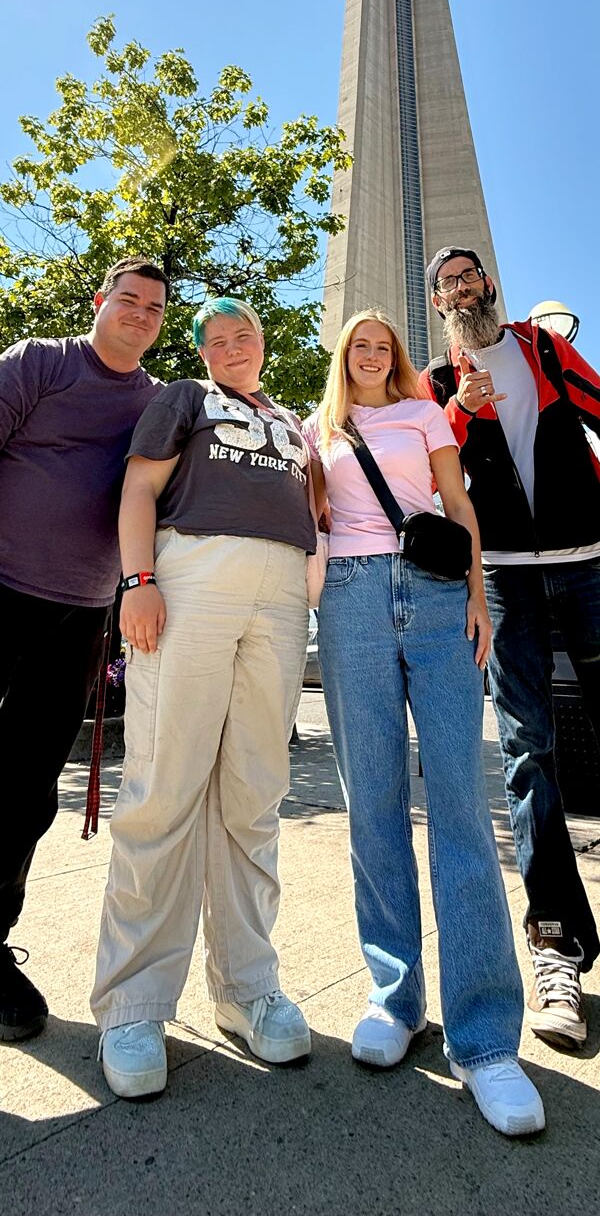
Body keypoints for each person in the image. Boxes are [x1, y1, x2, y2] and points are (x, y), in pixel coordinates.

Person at [304, 310, 544, 1138]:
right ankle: (393, 998)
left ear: (397, 359)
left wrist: (478, 596)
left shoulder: (422, 413)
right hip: (349, 603)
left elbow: (455, 503)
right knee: (372, 807)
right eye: (359, 346)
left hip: (436, 597)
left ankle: (484, 1039)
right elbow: (308, 524)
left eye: (384, 346)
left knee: (460, 812)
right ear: (343, 359)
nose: (372, 355)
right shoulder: (319, 429)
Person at [92, 295, 314, 1100]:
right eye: (214, 339)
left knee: (255, 795)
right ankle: (134, 1003)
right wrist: (140, 579)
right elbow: (140, 488)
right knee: (165, 788)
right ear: (202, 351)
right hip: (195, 577)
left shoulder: (294, 422)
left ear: (263, 344)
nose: (229, 347)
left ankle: (247, 989)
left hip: (282, 592)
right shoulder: (183, 398)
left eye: (242, 335)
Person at [421, 245, 600, 1050]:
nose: (462, 289)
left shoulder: (545, 348)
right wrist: (460, 408)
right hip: (502, 578)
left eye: (470, 276)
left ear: (490, 285)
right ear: (437, 304)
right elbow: (432, 481)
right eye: (446, 283)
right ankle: (557, 942)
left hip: (588, 564)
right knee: (528, 752)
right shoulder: (432, 383)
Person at [0, 257, 169, 1042]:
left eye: (154, 307)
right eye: (127, 299)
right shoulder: (41, 361)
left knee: (25, 787)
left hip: (79, 617)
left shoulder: (161, 407)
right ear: (99, 301)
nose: (139, 313)